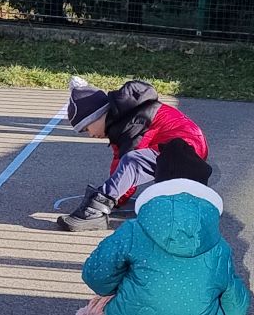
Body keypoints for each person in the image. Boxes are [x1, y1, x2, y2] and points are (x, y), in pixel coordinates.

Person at [78, 140, 254, 315]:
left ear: (159, 185)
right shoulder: (218, 244)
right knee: (219, 288)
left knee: (121, 275)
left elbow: (95, 274)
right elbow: (234, 300)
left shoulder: (133, 230)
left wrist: (110, 290)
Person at [56, 77, 208, 231]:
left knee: (133, 161)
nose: (90, 134)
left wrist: (111, 196)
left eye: (87, 128)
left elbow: (131, 163)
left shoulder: (135, 122)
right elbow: (119, 161)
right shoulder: (122, 122)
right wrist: (119, 196)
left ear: (98, 115)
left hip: (186, 151)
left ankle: (95, 211)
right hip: (180, 150)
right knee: (135, 165)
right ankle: (183, 203)